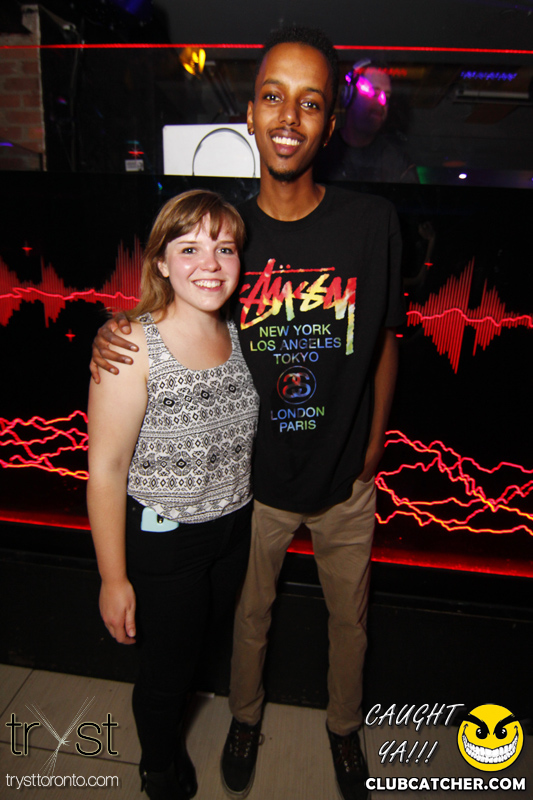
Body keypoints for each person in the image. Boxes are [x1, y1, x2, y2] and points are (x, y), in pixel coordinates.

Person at [90, 26, 405, 800]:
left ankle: (342, 730)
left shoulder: (371, 223)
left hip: (344, 480)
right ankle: (243, 719)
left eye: (310, 102)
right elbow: (172, 303)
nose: (288, 117)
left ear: (330, 124)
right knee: (246, 620)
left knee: (349, 624)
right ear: (251, 113)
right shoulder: (226, 235)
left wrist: (371, 447)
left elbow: (385, 340)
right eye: (272, 97)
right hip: (249, 487)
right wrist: (115, 328)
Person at [87, 190, 259, 800]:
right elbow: (105, 469)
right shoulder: (132, 346)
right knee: (166, 673)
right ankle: (157, 768)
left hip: (232, 532)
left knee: (195, 651)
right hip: (166, 542)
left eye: (224, 248)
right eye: (189, 249)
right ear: (160, 262)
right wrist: (113, 579)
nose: (210, 263)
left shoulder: (238, 332)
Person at [315, 60, 418, 183]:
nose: (382, 101)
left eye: (387, 96)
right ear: (349, 95)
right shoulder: (318, 152)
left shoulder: (399, 163)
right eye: (374, 92)